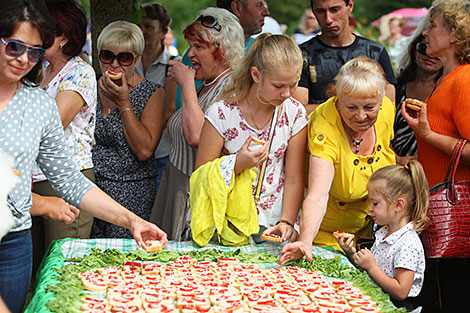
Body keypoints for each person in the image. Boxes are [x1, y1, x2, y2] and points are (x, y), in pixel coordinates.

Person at [0, 1, 167, 312]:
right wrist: (43, 203)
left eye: (34, 51)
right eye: (14, 47)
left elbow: (69, 179)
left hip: (14, 239)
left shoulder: (37, 103)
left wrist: (132, 220)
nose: (24, 59)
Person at [272, 57, 396, 265]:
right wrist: (305, 241)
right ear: (338, 101)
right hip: (325, 235)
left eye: (369, 107)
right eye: (351, 108)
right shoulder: (324, 125)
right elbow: (318, 194)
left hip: (370, 234)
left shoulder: (386, 110)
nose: (361, 116)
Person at [195, 34, 308, 243]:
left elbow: (294, 178)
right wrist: (238, 164)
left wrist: (287, 222)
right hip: (227, 223)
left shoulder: (294, 113)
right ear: (256, 75)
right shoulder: (221, 113)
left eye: (293, 84)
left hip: (273, 221)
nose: (286, 94)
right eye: (278, 85)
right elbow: (201, 175)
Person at [150, 7, 245, 241]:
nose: (190, 54)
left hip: (193, 196)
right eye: (190, 45)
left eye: (199, 47)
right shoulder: (210, 83)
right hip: (177, 184)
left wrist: (186, 83)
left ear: (223, 50)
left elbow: (197, 138)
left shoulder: (231, 88)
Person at [402, 1, 470, 311]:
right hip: (440, 212)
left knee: (451, 297)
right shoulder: (448, 77)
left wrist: (428, 135)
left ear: (455, 34)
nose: (425, 32)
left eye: (433, 25)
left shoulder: (464, 80)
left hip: (455, 216)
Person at [29, 0, 97, 279]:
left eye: (44, 30)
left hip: (67, 179)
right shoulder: (37, 71)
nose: (36, 35)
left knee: (59, 270)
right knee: (31, 270)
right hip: (31, 179)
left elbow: (53, 125)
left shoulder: (80, 72)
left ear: (64, 37)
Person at [91, 21, 165, 239]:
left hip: (131, 192)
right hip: (92, 189)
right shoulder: (89, 86)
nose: (114, 64)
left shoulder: (151, 93)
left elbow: (144, 150)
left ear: (137, 59)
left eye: (124, 58)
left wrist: (124, 103)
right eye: (107, 56)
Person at [336, 160, 429, 311]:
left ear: (398, 205)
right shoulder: (384, 232)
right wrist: (352, 254)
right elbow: (374, 271)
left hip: (393, 307)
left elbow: (401, 291)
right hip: (376, 300)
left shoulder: (407, 243)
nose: (370, 208)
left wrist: (371, 266)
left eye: (375, 203)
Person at [294, 0, 397, 113]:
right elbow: (298, 111)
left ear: (350, 6)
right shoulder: (301, 55)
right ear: (313, 11)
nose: (328, 19)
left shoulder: (375, 52)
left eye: (335, 10)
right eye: (320, 11)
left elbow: (389, 108)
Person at [136, 2, 180, 193]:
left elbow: (169, 110)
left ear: (163, 32)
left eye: (149, 27)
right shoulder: (127, 61)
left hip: (160, 152)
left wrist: (147, 139)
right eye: (140, 26)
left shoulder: (172, 65)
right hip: (130, 151)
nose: (143, 31)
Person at [392, 16, 442, 165]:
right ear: (414, 50)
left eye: (437, 54)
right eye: (423, 48)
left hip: (433, 168)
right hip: (394, 167)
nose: (429, 56)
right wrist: (396, 159)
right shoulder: (396, 88)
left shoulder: (445, 90)